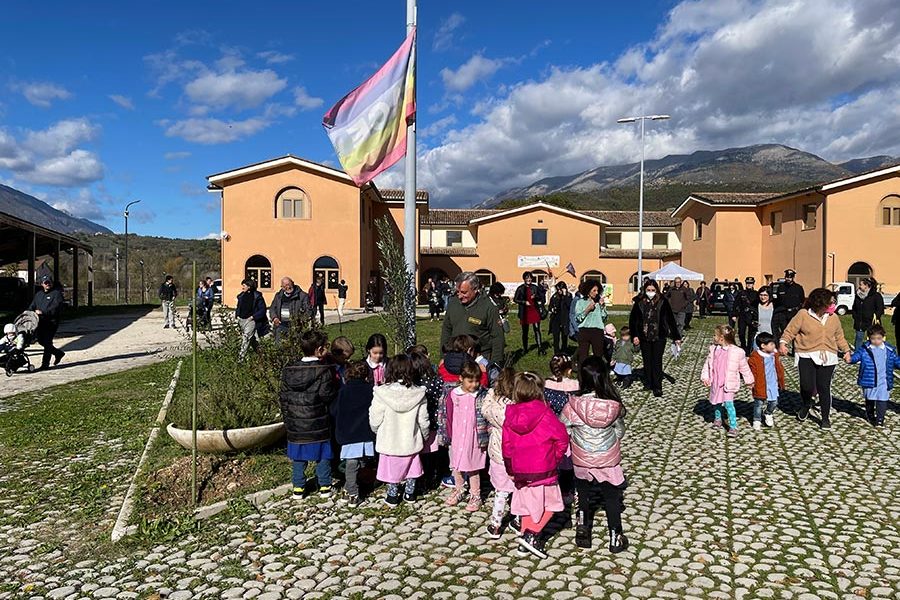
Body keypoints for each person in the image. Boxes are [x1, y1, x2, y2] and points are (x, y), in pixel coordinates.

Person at [561, 356, 629, 553]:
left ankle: (583, 526)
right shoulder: (613, 406)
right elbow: (620, 431)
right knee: (611, 496)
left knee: (582, 493)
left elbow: (563, 426)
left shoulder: (573, 405)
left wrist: (574, 435)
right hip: (607, 458)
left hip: (582, 458)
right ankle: (615, 535)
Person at [502, 371, 569, 559]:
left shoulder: (510, 415)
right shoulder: (546, 413)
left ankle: (525, 540)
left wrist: (510, 467)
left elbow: (506, 446)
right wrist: (554, 457)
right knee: (552, 503)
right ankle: (532, 534)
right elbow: (562, 438)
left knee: (525, 505)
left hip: (520, 469)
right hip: (543, 468)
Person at [779, 288, 851, 429]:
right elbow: (790, 330)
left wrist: (846, 351)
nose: (833, 305)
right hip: (806, 353)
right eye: (830, 302)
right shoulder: (803, 315)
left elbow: (839, 336)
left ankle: (825, 418)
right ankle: (806, 404)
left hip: (828, 356)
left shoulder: (834, 318)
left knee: (824, 387)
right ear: (820, 303)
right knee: (807, 385)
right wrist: (783, 343)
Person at [279, 330, 338, 499]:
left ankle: (298, 487)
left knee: (298, 458)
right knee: (323, 456)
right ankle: (325, 486)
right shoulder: (323, 371)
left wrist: (287, 417)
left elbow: (283, 397)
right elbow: (326, 396)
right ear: (319, 350)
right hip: (318, 423)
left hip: (296, 424)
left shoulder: (289, 370)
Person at [370, 354, 430, 506]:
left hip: (389, 439)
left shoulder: (382, 393)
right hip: (410, 439)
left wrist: (376, 430)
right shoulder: (418, 393)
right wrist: (424, 435)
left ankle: (392, 493)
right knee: (411, 466)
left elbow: (375, 417)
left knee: (391, 468)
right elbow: (423, 419)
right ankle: (410, 493)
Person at [444, 360, 489, 512]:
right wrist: (449, 434)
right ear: (461, 379)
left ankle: (475, 494)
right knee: (456, 464)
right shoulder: (454, 394)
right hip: (458, 436)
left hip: (474, 436)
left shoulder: (481, 395)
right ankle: (459, 488)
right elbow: (449, 415)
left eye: (477, 381)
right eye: (470, 381)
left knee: (473, 466)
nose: (474, 385)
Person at [331, 360, 375, 506]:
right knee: (354, 462)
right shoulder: (370, 390)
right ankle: (352, 491)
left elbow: (334, 410)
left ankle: (349, 488)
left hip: (348, 432)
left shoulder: (343, 391)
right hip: (364, 431)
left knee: (355, 461)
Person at [480, 367, 517, 539]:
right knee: (519, 489)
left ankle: (496, 524)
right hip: (517, 455)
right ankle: (518, 519)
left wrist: (491, 393)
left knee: (501, 491)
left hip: (498, 453)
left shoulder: (494, 408)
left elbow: (484, 408)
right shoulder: (518, 408)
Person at [629, 279, 682, 397]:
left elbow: (670, 320)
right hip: (644, 335)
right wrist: (635, 335)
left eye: (653, 290)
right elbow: (633, 320)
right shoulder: (639, 302)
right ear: (645, 290)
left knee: (656, 360)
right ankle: (648, 382)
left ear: (657, 290)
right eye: (648, 290)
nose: (650, 292)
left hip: (659, 335)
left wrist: (676, 336)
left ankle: (657, 386)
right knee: (647, 360)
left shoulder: (663, 301)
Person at [701, 324, 754, 436]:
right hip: (716, 381)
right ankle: (718, 418)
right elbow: (708, 364)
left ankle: (733, 426)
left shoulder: (737, 352)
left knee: (729, 404)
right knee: (717, 402)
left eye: (715, 335)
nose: (713, 337)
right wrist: (705, 376)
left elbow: (744, 367)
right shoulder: (714, 350)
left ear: (721, 338)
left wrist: (749, 380)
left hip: (728, 382)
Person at [441, 272, 505, 364]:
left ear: (475, 289)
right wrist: (443, 357)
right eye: (457, 292)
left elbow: (497, 337)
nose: (459, 296)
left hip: (479, 359)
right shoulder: (453, 303)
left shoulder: (488, 307)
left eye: (464, 292)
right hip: (455, 356)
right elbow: (446, 330)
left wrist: (495, 363)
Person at [847, 324, 900, 427]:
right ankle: (870, 415)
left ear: (883, 338)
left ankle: (880, 419)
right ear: (869, 338)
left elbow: (896, 361)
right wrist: (850, 359)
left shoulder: (889, 350)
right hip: (869, 379)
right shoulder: (865, 349)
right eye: (873, 339)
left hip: (884, 380)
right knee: (870, 398)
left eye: (879, 338)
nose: (876, 341)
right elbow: (856, 357)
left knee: (882, 399)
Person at [543, 355, 579, 505]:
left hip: (550, 427)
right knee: (567, 459)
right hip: (567, 429)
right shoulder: (574, 385)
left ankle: (552, 487)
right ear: (569, 370)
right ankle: (567, 490)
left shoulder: (546, 384)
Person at [409, 349, 445, 491]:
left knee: (422, 452)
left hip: (420, 421)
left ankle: (422, 479)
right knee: (432, 451)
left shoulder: (416, 384)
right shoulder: (436, 379)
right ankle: (432, 477)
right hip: (435, 420)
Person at [748, 332, 784, 430]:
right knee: (759, 403)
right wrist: (751, 382)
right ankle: (757, 419)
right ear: (763, 346)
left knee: (774, 402)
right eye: (771, 344)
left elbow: (779, 367)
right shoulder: (755, 358)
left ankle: (768, 413)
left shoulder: (774, 355)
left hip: (772, 383)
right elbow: (752, 372)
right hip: (760, 383)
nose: (774, 346)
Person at [28, 275, 65, 370]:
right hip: (40, 322)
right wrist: (28, 312)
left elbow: (56, 308)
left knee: (48, 342)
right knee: (41, 341)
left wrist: (43, 312)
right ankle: (58, 353)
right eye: (45, 283)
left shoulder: (57, 294)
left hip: (51, 322)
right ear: (42, 284)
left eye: (49, 282)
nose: (47, 284)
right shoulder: (39, 295)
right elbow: (32, 306)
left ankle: (45, 364)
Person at [573, 279, 608, 369]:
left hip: (597, 331)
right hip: (584, 331)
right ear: (588, 291)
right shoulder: (580, 302)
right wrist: (587, 310)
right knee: (583, 357)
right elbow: (578, 318)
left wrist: (602, 306)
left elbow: (604, 318)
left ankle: (598, 378)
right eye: (594, 290)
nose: (596, 293)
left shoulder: (599, 303)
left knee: (598, 357)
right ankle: (582, 378)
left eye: (597, 290)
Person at [269, 277, 311, 343]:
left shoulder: (302, 296)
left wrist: (301, 320)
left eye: (289, 285)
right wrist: (274, 318)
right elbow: (272, 308)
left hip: (296, 327)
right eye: (284, 286)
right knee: (279, 346)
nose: (287, 287)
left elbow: (308, 311)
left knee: (295, 346)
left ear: (292, 284)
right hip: (281, 325)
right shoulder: (278, 296)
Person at [235, 278, 268, 359]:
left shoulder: (257, 297)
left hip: (251, 321)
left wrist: (253, 317)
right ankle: (263, 357)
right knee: (254, 341)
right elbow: (238, 307)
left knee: (245, 339)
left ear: (249, 286)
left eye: (244, 286)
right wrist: (237, 316)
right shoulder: (241, 296)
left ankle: (240, 359)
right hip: (242, 320)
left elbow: (262, 310)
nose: (242, 287)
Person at [514, 272, 545, 355]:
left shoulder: (535, 287)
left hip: (534, 310)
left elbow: (541, 297)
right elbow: (515, 299)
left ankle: (540, 348)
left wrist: (535, 297)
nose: (529, 279)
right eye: (527, 278)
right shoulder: (520, 288)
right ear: (524, 279)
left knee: (537, 329)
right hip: (525, 312)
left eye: (530, 278)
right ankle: (525, 349)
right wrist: (524, 302)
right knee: (525, 331)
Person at [851, 277, 884, 349]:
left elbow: (880, 309)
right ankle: (857, 355)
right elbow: (854, 308)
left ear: (866, 286)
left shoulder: (876, 296)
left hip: (871, 322)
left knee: (872, 340)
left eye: (861, 284)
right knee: (859, 338)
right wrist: (855, 316)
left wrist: (874, 316)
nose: (859, 286)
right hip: (860, 322)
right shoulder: (858, 296)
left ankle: (873, 355)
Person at [772, 269, 805, 341]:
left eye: (790, 277)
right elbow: (777, 301)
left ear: (793, 278)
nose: (788, 279)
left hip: (794, 313)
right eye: (787, 277)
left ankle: (794, 351)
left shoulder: (798, 288)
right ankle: (783, 349)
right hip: (783, 313)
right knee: (784, 333)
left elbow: (802, 300)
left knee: (795, 334)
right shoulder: (781, 287)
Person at [733, 277, 760, 355]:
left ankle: (749, 348)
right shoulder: (741, 293)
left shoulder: (756, 293)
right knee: (741, 333)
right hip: (742, 315)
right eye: (748, 283)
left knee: (751, 334)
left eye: (750, 283)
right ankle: (743, 346)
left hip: (752, 316)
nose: (749, 285)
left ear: (753, 284)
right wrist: (734, 315)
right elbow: (736, 304)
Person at [548, 282, 572, 355]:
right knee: (556, 337)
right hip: (556, 319)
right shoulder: (555, 296)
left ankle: (564, 351)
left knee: (564, 337)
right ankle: (557, 353)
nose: (559, 291)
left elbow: (569, 305)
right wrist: (551, 309)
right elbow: (550, 306)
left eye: (560, 289)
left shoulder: (568, 295)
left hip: (564, 319)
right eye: (557, 289)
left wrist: (565, 296)